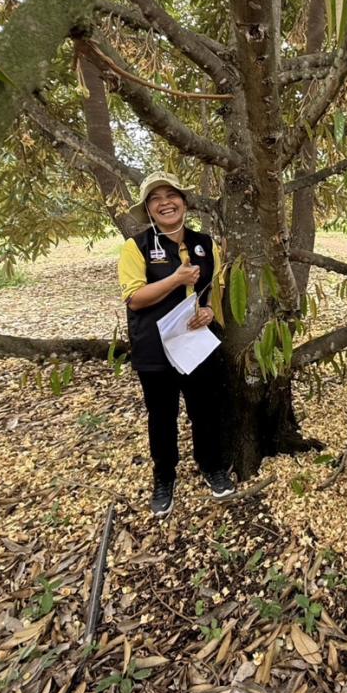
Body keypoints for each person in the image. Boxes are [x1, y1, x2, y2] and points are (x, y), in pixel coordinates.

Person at [118, 171, 237, 518]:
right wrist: (175, 279)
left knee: (205, 409)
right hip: (154, 348)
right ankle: (164, 478)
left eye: (171, 195)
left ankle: (212, 467)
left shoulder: (205, 244)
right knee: (162, 415)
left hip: (196, 344)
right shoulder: (136, 246)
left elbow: (215, 291)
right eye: (156, 199)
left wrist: (209, 314)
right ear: (149, 210)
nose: (165, 203)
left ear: (184, 203)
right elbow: (135, 298)